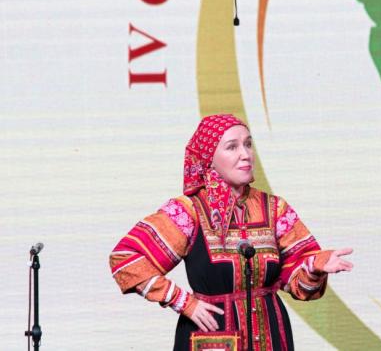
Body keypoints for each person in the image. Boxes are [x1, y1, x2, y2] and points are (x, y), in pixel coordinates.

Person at [110, 114, 353, 350]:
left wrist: (314, 266)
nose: (245, 154)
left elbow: (299, 286)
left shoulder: (274, 208)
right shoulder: (189, 210)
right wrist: (182, 301)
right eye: (232, 147)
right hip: (212, 336)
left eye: (248, 144)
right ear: (209, 158)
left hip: (270, 337)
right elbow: (125, 259)